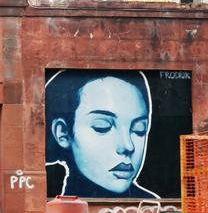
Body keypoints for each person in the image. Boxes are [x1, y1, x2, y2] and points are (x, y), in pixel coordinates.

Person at [45, 70, 159, 198]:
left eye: (139, 130)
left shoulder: (154, 207)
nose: (128, 146)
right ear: (63, 133)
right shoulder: (53, 208)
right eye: (102, 127)